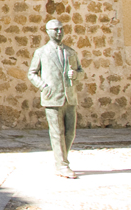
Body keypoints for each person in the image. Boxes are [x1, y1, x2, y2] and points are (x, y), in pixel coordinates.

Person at [27, 19, 85, 178]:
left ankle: (61, 161)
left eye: (61, 29)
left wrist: (77, 75)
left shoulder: (70, 52)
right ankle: (62, 164)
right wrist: (44, 87)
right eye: (55, 29)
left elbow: (80, 71)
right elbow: (32, 73)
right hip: (52, 97)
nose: (59, 32)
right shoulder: (41, 52)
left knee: (70, 132)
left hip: (69, 97)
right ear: (48, 31)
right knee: (57, 132)